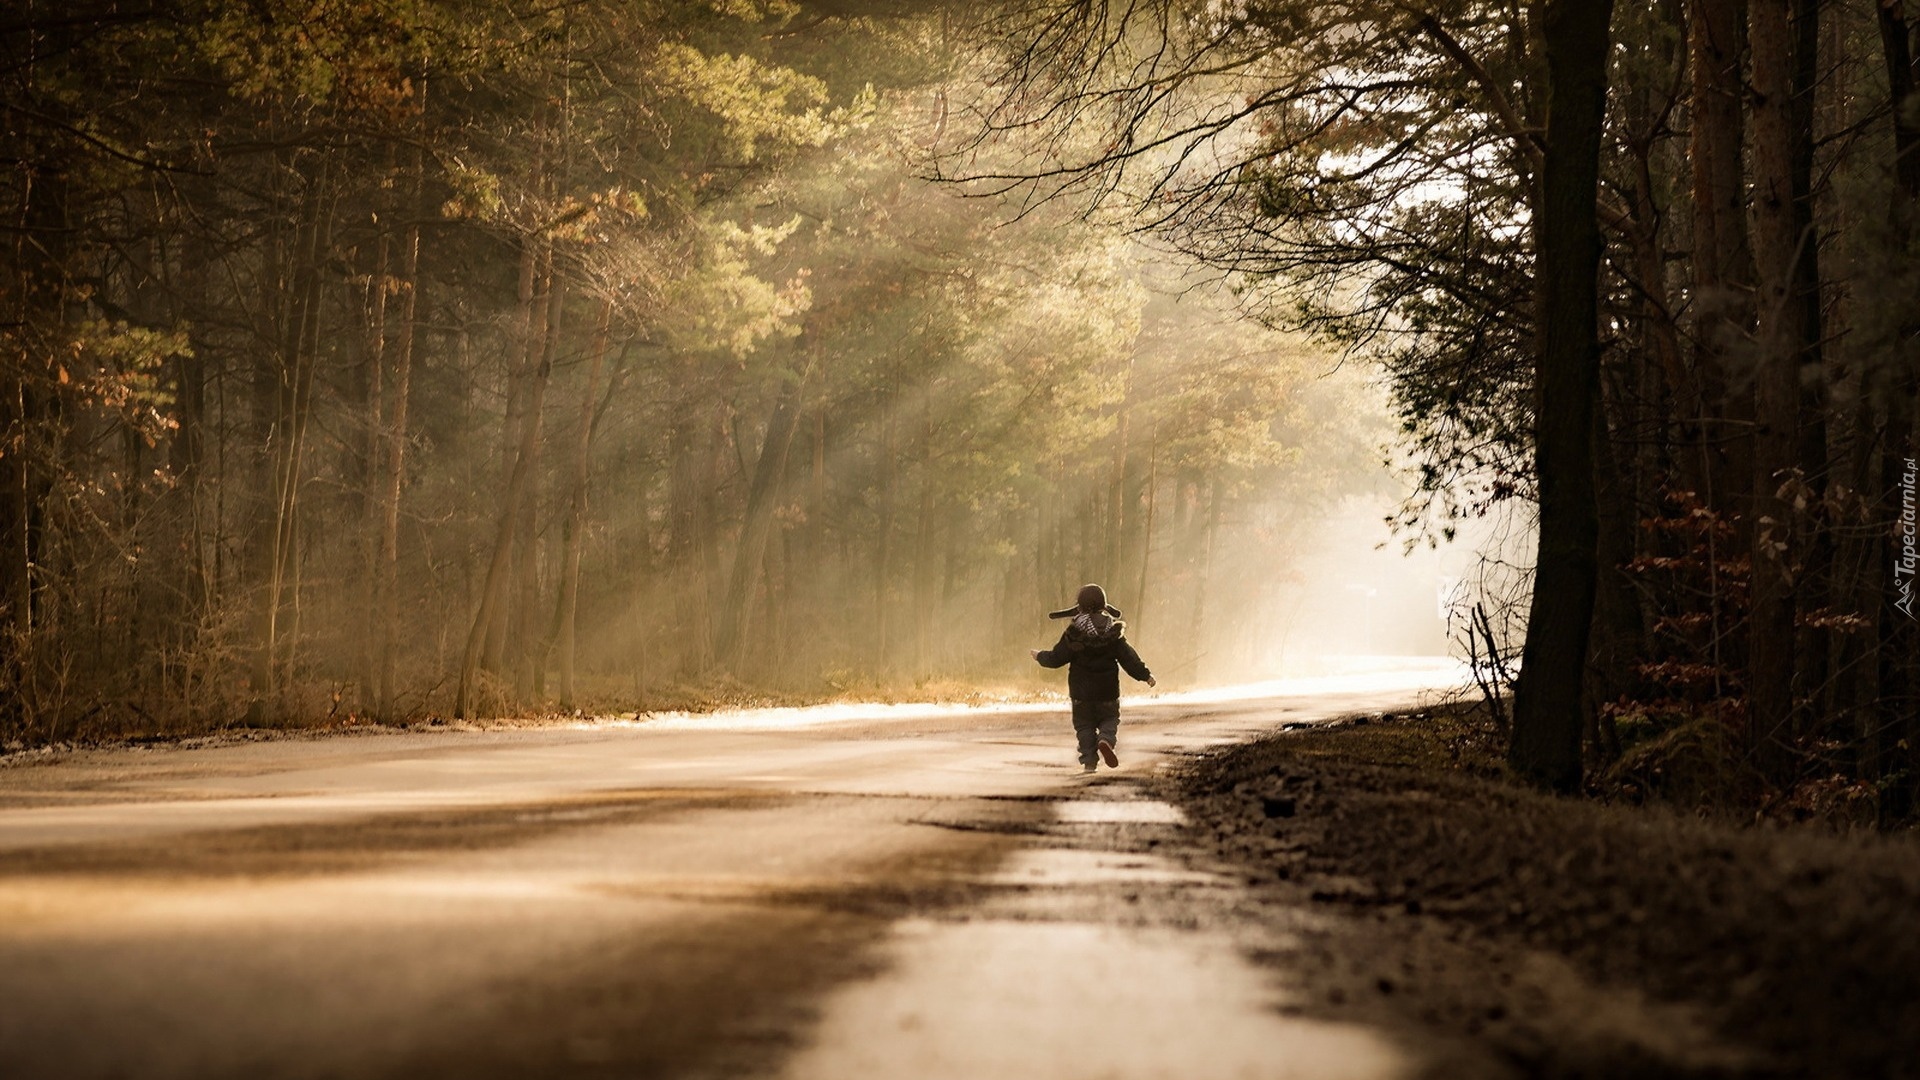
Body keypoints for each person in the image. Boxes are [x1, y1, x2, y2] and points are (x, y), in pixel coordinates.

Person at [1031, 583, 1156, 773]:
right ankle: (1105, 739)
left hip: (1081, 694)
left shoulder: (1074, 634)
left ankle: (1089, 762)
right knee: (1110, 719)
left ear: (1079, 606)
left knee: (1084, 726)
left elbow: (1057, 658)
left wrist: (1039, 655)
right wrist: (1145, 675)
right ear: (1104, 606)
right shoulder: (1114, 634)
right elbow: (1129, 659)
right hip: (1107, 692)